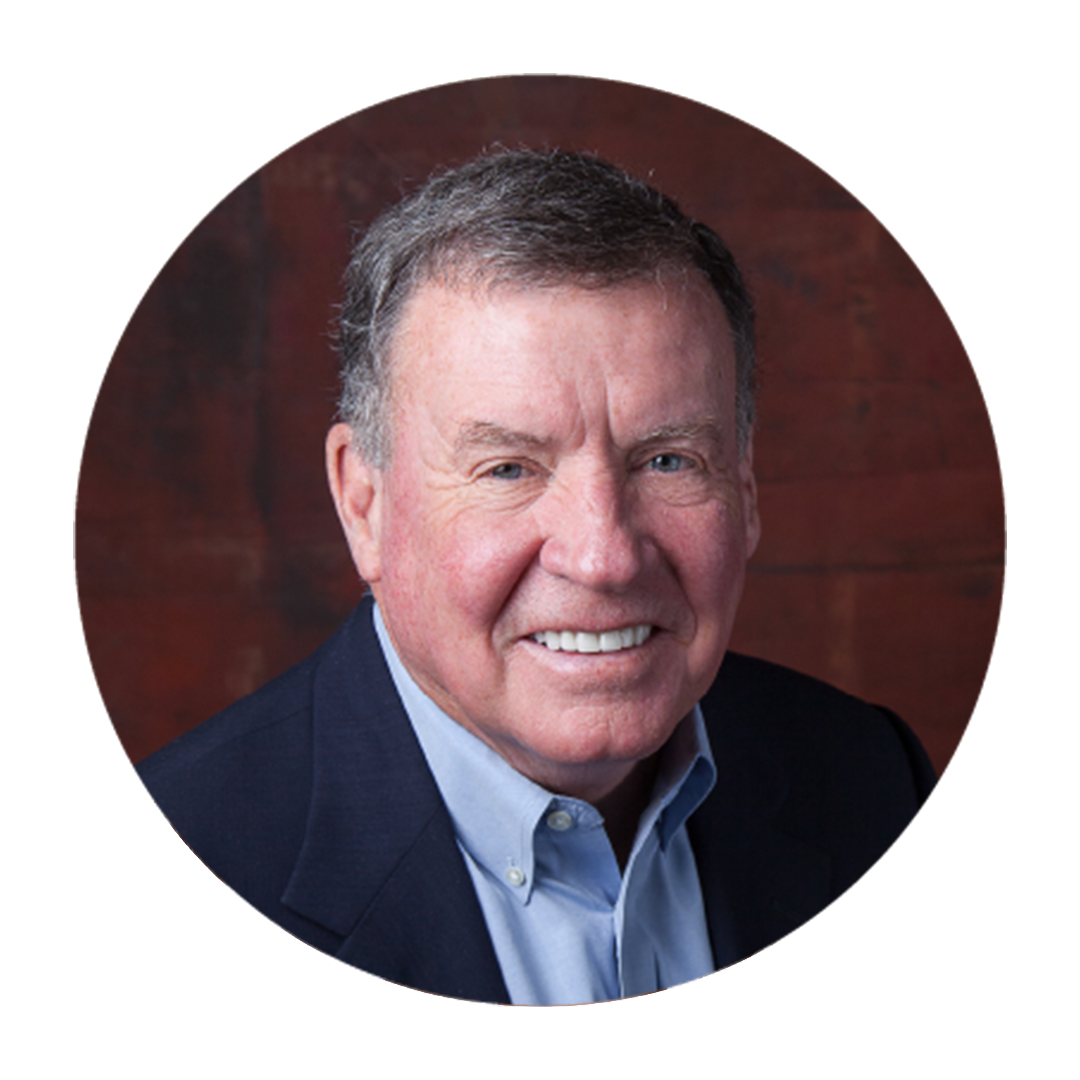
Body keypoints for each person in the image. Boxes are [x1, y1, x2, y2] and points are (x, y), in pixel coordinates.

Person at [137, 148, 935, 1005]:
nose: (603, 557)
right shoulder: (202, 844)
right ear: (363, 504)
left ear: (743, 489)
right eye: (509, 469)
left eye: (667, 460)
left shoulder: (870, 780)